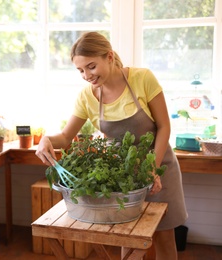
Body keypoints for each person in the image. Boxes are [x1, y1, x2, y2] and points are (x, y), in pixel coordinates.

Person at [35, 32, 188, 260]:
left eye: (91, 66)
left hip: (160, 167)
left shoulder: (142, 79)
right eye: (80, 70)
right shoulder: (87, 97)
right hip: (123, 176)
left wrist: (152, 169)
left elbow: (164, 127)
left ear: (109, 56)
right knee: (126, 235)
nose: (86, 75)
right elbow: (66, 137)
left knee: (164, 236)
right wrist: (46, 139)